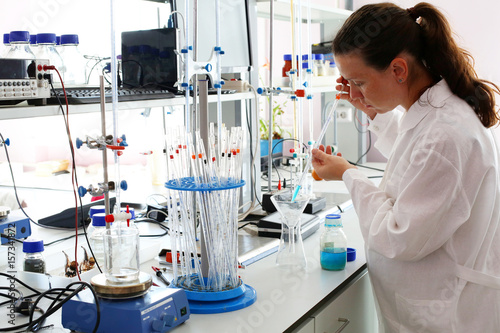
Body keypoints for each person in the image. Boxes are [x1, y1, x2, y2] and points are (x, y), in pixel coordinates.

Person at [311, 2, 500, 332]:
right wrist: (368, 105)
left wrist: (347, 173)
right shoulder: (434, 110)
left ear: (398, 70)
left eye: (359, 81)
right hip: (429, 303)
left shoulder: (447, 133)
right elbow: (416, 150)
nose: (351, 91)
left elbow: (398, 235)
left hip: (447, 314)